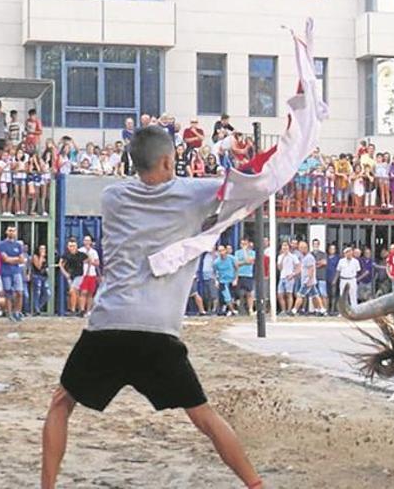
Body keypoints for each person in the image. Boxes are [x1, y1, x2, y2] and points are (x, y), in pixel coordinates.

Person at [40, 127, 261, 489]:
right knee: (204, 417)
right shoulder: (195, 193)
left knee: (61, 404)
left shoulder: (112, 197)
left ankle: (47, 487)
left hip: (109, 325)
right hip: (159, 331)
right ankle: (256, 485)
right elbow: (248, 182)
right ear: (168, 160)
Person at [0, 226, 26, 322]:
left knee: (19, 292)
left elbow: (22, 259)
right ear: (6, 232)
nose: (12, 232)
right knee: (8, 293)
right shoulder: (2, 244)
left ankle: (17, 312)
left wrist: (12, 260)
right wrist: (16, 260)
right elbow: (5, 259)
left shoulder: (18, 245)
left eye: (13, 230)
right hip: (6, 272)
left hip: (16, 271)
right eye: (10, 230)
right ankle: (9, 313)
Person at [293, 241, 326, 316]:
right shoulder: (304, 257)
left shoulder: (309, 257)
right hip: (308, 280)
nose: (300, 249)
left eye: (301, 248)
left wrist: (308, 280)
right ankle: (322, 310)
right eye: (299, 248)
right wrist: (293, 274)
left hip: (307, 281)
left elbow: (311, 269)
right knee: (315, 295)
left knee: (300, 295)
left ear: (306, 248)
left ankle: (294, 310)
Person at [58, 237, 87, 317]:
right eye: (70, 246)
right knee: (75, 293)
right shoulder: (66, 255)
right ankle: (79, 310)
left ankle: (74, 310)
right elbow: (61, 264)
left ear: (76, 246)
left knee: (73, 291)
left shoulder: (81, 254)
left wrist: (87, 272)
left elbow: (89, 261)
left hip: (79, 275)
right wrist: (65, 273)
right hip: (71, 276)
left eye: (73, 246)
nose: (72, 248)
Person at [78, 235, 100, 316]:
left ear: (91, 242)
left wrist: (91, 262)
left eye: (88, 240)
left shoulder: (94, 252)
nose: (87, 242)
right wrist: (87, 260)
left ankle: (88, 310)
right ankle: (82, 310)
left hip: (92, 274)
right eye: (85, 240)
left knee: (90, 293)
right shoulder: (80, 251)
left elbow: (97, 263)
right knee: (83, 292)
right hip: (83, 274)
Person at [213, 245, 238, 316]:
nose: (221, 252)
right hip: (223, 281)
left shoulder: (231, 258)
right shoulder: (216, 262)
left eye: (222, 250)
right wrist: (216, 281)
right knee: (227, 296)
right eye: (219, 251)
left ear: (225, 251)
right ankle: (232, 311)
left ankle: (229, 309)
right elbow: (214, 272)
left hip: (231, 280)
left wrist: (236, 279)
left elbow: (236, 268)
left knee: (233, 296)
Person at [234, 238, 256, 315]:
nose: (244, 246)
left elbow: (250, 261)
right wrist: (245, 262)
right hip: (239, 275)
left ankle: (250, 309)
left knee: (249, 293)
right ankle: (240, 309)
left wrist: (245, 252)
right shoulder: (237, 253)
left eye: (245, 244)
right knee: (239, 293)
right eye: (242, 244)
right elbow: (236, 264)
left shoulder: (252, 252)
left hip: (248, 275)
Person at [277, 241, 299, 316]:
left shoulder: (293, 256)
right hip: (282, 277)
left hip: (289, 277)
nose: (285, 247)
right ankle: (283, 310)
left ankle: (289, 310)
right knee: (280, 294)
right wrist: (283, 257)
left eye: (286, 246)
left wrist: (293, 274)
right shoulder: (280, 257)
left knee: (288, 294)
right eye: (283, 246)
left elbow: (298, 267)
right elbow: (279, 267)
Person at [31, 244, 51, 315]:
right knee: (37, 292)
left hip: (44, 277)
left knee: (48, 294)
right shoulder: (35, 256)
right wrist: (41, 257)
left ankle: (38, 307)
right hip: (37, 276)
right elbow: (38, 267)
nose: (43, 250)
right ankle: (36, 309)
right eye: (41, 249)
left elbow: (46, 267)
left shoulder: (46, 257)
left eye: (44, 249)